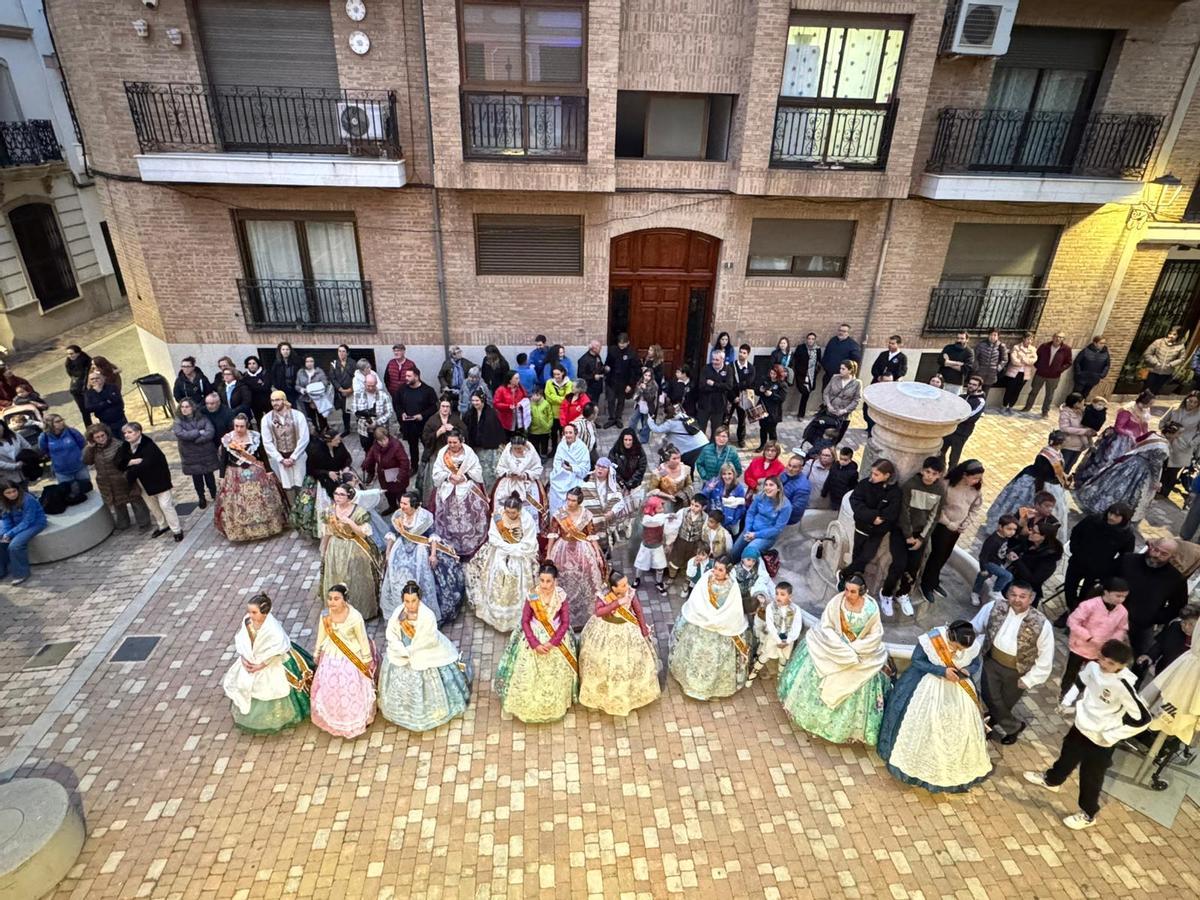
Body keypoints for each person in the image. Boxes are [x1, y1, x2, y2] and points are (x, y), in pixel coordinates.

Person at [1024, 640, 1150, 830]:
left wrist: (1113, 735)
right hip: (1081, 725)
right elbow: (1079, 682)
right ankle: (1052, 780)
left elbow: (1143, 719)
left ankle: (1088, 814)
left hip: (1100, 739)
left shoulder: (1124, 685)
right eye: (1103, 660)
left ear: (1122, 665)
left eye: (1111, 664)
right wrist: (1067, 702)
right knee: (1067, 755)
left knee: (1091, 776)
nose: (1105, 666)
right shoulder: (1092, 667)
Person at [878, 619, 990, 793]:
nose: (958, 651)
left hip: (959, 689)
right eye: (956, 646)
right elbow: (917, 661)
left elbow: (975, 662)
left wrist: (969, 670)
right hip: (926, 685)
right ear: (950, 636)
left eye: (962, 650)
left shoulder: (970, 645)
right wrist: (942, 671)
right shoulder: (932, 640)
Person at [778, 575, 889, 746]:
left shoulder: (871, 609)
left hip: (858, 652)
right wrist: (841, 647)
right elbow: (826, 625)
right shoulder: (836, 603)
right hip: (833, 647)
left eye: (853, 591)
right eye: (846, 589)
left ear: (862, 592)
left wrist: (854, 649)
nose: (848, 594)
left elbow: (875, 635)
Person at [376, 582, 471, 732]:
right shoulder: (399, 613)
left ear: (419, 599)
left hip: (424, 650)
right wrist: (399, 647)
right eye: (407, 601)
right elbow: (392, 632)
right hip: (402, 652)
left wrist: (410, 650)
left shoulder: (427, 616)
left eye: (413, 601)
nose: (410, 605)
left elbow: (428, 640)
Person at [970, 581, 1054, 745]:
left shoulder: (1041, 623)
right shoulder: (994, 607)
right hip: (992, 661)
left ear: (1031, 598)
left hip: (1018, 670)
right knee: (990, 696)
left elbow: (1046, 656)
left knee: (1005, 702)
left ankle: (991, 723)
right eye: (1013, 595)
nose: (1017, 600)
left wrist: (1030, 679)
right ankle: (1014, 727)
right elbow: (976, 626)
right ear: (1008, 595)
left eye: (1022, 596)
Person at [493, 562, 578, 723]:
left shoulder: (561, 596)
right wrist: (534, 644)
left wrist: (553, 642)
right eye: (542, 580)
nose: (545, 585)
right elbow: (525, 621)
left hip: (556, 638)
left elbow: (565, 622)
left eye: (548, 581)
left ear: (556, 581)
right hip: (533, 638)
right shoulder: (532, 595)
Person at [221, 593, 314, 734]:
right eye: (249, 611)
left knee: (273, 688)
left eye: (254, 612)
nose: (250, 615)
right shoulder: (247, 622)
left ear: (264, 613)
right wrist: (244, 658)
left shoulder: (273, 629)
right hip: (252, 660)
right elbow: (242, 639)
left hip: (272, 663)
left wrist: (261, 665)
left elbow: (278, 649)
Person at [578, 570, 660, 716]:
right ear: (613, 588)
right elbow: (599, 612)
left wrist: (644, 630)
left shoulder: (631, 594)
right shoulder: (604, 596)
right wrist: (617, 603)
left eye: (626, 583)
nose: (626, 587)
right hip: (605, 629)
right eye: (622, 585)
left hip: (627, 629)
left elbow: (638, 611)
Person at [669, 556, 752, 700]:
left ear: (727, 572)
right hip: (701, 622)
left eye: (720, 570)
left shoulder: (732, 587)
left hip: (722, 627)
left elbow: (733, 609)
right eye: (715, 568)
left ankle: (713, 689)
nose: (716, 572)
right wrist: (708, 617)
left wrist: (718, 619)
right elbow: (696, 600)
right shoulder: (706, 579)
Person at [310, 584, 377, 739]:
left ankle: (354, 719)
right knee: (330, 687)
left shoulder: (355, 617)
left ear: (345, 600)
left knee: (351, 688)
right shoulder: (325, 615)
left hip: (351, 657)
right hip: (331, 656)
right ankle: (335, 719)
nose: (332, 602)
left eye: (336, 599)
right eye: (330, 599)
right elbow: (321, 635)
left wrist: (367, 659)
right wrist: (317, 652)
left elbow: (362, 639)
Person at [466, 493, 540, 632]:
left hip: (520, 555)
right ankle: (496, 616)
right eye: (508, 511)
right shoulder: (498, 517)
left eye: (513, 512)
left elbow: (529, 541)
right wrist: (507, 548)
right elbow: (493, 537)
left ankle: (519, 617)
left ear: (519, 510)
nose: (510, 514)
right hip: (499, 553)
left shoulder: (527, 520)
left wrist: (514, 549)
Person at [884, 456, 946, 616]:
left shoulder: (939, 491)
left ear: (939, 475)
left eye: (933, 473)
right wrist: (908, 535)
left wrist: (922, 539)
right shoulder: (910, 485)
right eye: (927, 472)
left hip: (920, 535)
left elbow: (934, 516)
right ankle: (886, 593)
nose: (929, 476)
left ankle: (902, 594)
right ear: (922, 470)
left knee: (913, 567)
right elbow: (903, 512)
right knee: (898, 564)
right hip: (901, 531)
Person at [1116, 539, 1188, 671]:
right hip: (1113, 615)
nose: (1156, 555)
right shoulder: (1127, 560)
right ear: (1151, 546)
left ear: (1172, 557)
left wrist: (1155, 617)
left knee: (1143, 658)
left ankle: (1133, 685)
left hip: (1143, 625)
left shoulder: (1176, 579)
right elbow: (1109, 580)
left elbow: (1177, 606)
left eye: (1163, 554)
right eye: (1155, 549)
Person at [215, 414, 288, 542]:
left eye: (241, 426)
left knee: (263, 500)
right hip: (235, 474)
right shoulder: (228, 439)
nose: (238, 429)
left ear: (247, 426)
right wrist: (221, 476)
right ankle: (241, 531)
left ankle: (267, 527)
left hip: (256, 472)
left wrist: (269, 470)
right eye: (236, 426)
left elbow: (263, 455)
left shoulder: (255, 437)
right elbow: (223, 460)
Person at [920, 459, 984, 600]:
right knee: (937, 555)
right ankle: (926, 585)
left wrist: (965, 524)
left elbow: (975, 508)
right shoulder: (947, 484)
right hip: (942, 526)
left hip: (957, 529)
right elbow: (937, 506)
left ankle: (934, 581)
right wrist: (948, 523)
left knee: (945, 555)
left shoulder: (975, 490)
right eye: (974, 478)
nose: (977, 481)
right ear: (964, 474)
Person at [1058, 503, 1134, 621]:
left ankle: (1077, 616)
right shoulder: (1092, 520)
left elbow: (1126, 556)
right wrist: (1075, 550)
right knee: (1069, 588)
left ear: (1124, 519)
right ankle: (1072, 611)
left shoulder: (1127, 535)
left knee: (1087, 594)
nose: (1112, 517)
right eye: (1111, 513)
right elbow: (1076, 532)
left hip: (1099, 569)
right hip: (1078, 561)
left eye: (1117, 516)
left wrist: (1110, 567)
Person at [1075, 431, 1169, 524]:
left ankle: (1099, 505)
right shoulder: (1162, 446)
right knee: (1126, 490)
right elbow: (1155, 464)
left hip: (1131, 461)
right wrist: (1156, 481)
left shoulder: (1154, 435)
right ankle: (1111, 512)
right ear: (1173, 434)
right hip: (1140, 468)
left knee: (1112, 483)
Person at [546, 485, 608, 625]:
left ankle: (584, 610)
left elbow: (591, 536)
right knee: (562, 579)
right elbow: (553, 535)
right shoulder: (560, 513)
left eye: (573, 500)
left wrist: (597, 554)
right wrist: (549, 554)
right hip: (562, 550)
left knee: (585, 578)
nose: (570, 503)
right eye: (568, 499)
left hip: (582, 549)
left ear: (579, 501)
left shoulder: (586, 515)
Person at [985, 431, 1069, 534]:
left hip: (1049, 481)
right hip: (1039, 483)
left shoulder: (1057, 452)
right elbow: (1041, 474)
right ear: (1061, 442)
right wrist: (1040, 492)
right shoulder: (1046, 455)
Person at [319, 485, 383, 620]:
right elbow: (328, 532)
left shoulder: (359, 512)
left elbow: (363, 534)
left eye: (342, 495)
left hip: (354, 547)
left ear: (350, 496)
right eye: (336, 494)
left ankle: (359, 611)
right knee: (337, 577)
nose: (337, 497)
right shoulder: (329, 511)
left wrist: (350, 523)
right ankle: (339, 609)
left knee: (355, 579)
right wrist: (323, 549)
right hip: (335, 548)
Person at [1061, 579, 1129, 698]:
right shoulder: (1089, 605)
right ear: (1106, 592)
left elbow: (1121, 628)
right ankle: (1065, 692)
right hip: (1080, 646)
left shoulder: (1122, 611)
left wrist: (1112, 642)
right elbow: (1073, 621)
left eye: (1124, 597)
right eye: (1118, 596)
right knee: (1071, 672)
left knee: (1094, 675)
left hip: (1101, 651)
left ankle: (1085, 695)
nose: (1121, 599)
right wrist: (1088, 637)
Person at [116, 422, 182, 541]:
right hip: (142, 482)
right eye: (125, 433)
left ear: (138, 432)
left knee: (165, 505)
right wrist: (131, 462)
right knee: (152, 506)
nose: (126, 435)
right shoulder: (125, 446)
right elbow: (118, 462)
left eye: (129, 432)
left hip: (158, 480)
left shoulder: (149, 445)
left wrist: (128, 465)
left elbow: (146, 464)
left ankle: (176, 530)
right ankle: (163, 525)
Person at [840, 459, 901, 587]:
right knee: (857, 554)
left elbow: (892, 512)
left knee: (866, 556)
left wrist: (880, 519)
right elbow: (855, 501)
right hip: (861, 526)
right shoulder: (864, 484)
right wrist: (872, 516)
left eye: (876, 474)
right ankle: (853, 580)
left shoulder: (894, 492)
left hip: (877, 532)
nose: (872, 477)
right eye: (872, 473)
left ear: (887, 475)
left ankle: (844, 574)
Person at [1073, 390, 1153, 486]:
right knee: (1108, 461)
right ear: (1144, 401)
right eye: (1150, 403)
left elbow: (1144, 426)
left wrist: (1146, 437)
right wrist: (1130, 434)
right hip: (1120, 441)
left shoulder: (1145, 410)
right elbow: (1118, 427)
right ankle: (1093, 483)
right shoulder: (1127, 410)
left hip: (1134, 442)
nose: (1150, 406)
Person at [430, 430, 489, 559]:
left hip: (467, 490)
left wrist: (465, 476)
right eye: (449, 442)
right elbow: (436, 472)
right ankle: (450, 547)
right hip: (448, 489)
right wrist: (448, 476)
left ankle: (470, 547)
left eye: (454, 442)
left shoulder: (469, 453)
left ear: (461, 441)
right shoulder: (442, 454)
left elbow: (477, 470)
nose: (452, 445)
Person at [84, 423, 150, 530]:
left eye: (102, 435)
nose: (101, 439)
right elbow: (87, 461)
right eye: (97, 437)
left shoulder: (118, 445)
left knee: (136, 501)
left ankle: (144, 523)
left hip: (123, 480)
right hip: (107, 483)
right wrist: (89, 448)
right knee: (117, 504)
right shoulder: (94, 449)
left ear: (107, 434)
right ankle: (123, 525)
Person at [260, 391, 309, 504]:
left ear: (284, 400)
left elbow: (304, 438)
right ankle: (291, 509)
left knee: (300, 482)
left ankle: (303, 510)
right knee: (286, 485)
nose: (274, 403)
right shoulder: (267, 419)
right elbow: (267, 442)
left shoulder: (298, 415)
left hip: (298, 456)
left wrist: (294, 457)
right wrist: (280, 459)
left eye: (277, 400)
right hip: (280, 457)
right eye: (272, 400)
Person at [748, 581, 804, 682]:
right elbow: (770, 625)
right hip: (773, 637)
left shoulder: (796, 609)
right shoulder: (770, 607)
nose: (778, 597)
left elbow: (797, 627)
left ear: (790, 596)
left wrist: (788, 640)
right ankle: (753, 674)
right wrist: (778, 640)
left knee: (783, 659)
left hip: (787, 640)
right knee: (765, 655)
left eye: (782, 594)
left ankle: (780, 677)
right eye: (777, 593)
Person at [172, 398, 218, 509]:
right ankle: (201, 497)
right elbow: (180, 434)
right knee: (197, 477)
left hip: (205, 452)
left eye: (187, 406)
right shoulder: (178, 421)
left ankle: (214, 493)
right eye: (182, 407)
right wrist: (198, 432)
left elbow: (210, 432)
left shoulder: (202, 417)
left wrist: (195, 439)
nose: (184, 409)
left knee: (209, 475)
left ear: (192, 407)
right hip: (190, 454)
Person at [731, 476, 791, 561]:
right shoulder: (760, 496)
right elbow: (751, 512)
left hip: (766, 536)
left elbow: (777, 529)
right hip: (751, 530)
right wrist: (748, 529)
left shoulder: (786, 506)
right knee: (734, 552)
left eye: (771, 485)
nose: (767, 487)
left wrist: (756, 535)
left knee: (748, 552)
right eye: (766, 485)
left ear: (778, 489)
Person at [492, 436, 547, 527]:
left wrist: (526, 474)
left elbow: (537, 469)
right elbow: (500, 468)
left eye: (519, 448)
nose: (517, 450)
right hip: (508, 483)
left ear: (524, 446)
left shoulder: (531, 453)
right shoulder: (507, 452)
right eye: (515, 448)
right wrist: (508, 473)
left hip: (527, 484)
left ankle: (529, 529)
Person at [1007, 518, 1063, 604]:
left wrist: (1017, 561)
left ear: (1043, 537)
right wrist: (1011, 553)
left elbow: (1033, 579)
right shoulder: (1030, 542)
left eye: (1034, 532)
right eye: (1031, 530)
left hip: (1024, 589)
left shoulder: (1049, 559)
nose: (1030, 533)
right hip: (1013, 577)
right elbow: (1014, 549)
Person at [0, 483, 46, 585]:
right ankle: (2, 571)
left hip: (35, 523)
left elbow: (28, 521)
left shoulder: (28, 500)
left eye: (14, 491)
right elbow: (5, 519)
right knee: (1, 541)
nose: (12, 494)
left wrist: (10, 534)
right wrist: (4, 533)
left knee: (15, 546)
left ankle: (21, 573)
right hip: (16, 524)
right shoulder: (3, 502)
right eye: (8, 493)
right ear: (3, 494)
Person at [419, 396, 465, 498]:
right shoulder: (432, 420)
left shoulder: (455, 419)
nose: (445, 409)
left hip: (454, 455)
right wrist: (438, 432)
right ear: (439, 407)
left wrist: (454, 429)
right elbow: (425, 439)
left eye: (447, 406)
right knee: (437, 480)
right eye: (443, 406)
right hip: (437, 454)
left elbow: (465, 433)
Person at [38, 413, 90, 499]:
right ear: (50, 424)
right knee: (68, 494)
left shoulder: (72, 431)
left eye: (62, 420)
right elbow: (44, 450)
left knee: (87, 491)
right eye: (58, 421)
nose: (61, 422)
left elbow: (83, 445)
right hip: (62, 472)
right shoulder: (44, 437)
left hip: (80, 468)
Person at [463, 390, 506, 491]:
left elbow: (497, 430)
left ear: (482, 400)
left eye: (477, 400)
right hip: (474, 449)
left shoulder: (491, 414)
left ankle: (490, 493)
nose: (474, 403)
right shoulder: (469, 413)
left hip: (489, 449)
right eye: (473, 400)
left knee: (488, 474)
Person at [1158, 391, 1200, 496]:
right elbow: (1162, 421)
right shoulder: (1175, 408)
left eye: (1195, 402)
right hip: (1167, 442)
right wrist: (1165, 431)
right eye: (1190, 401)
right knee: (1161, 466)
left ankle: (1164, 492)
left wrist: (1192, 443)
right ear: (1186, 399)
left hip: (1183, 447)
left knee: (1173, 471)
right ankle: (1156, 489)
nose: (1191, 404)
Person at [362, 426, 411, 515]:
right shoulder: (375, 446)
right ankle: (392, 507)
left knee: (400, 495)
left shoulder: (396, 445)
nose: (383, 443)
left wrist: (400, 476)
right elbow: (371, 455)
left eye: (385, 439)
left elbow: (404, 462)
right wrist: (366, 464)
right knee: (388, 493)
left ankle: (405, 512)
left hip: (397, 476)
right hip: (384, 476)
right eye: (380, 441)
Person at [972, 514, 1018, 607]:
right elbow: (983, 555)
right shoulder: (992, 540)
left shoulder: (1005, 537)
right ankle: (995, 591)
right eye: (1009, 529)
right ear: (1000, 527)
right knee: (1007, 576)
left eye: (1014, 530)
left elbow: (1003, 547)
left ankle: (977, 592)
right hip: (989, 563)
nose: (1012, 532)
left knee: (983, 577)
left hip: (997, 562)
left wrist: (1009, 553)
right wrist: (983, 568)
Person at [941, 375, 986, 469]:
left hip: (962, 433)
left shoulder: (980, 401)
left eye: (974, 385)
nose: (970, 386)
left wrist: (956, 417)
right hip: (951, 429)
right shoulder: (962, 396)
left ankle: (951, 475)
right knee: (941, 451)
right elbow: (950, 409)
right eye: (970, 383)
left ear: (979, 387)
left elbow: (971, 416)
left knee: (954, 456)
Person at [1023, 332, 1073, 416]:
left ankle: (1045, 411)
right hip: (1040, 373)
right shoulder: (1044, 346)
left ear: (1063, 339)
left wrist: (1060, 370)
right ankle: (1027, 407)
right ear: (1053, 337)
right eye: (1056, 337)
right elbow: (1036, 357)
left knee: (1049, 394)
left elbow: (1068, 362)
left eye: (1061, 338)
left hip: (1054, 376)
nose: (1058, 339)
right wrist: (1039, 366)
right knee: (1034, 391)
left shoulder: (1066, 349)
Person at [647, 401, 709, 469]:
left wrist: (650, 419)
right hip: (704, 443)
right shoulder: (684, 416)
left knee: (684, 467)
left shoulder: (671, 424)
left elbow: (656, 429)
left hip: (691, 449)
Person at [549, 422, 590, 515]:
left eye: (570, 432)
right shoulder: (561, 445)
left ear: (576, 433)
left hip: (574, 478)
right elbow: (557, 462)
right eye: (566, 433)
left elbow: (585, 468)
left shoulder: (582, 448)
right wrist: (562, 469)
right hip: (560, 477)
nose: (568, 435)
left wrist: (572, 468)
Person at [664, 494, 707, 582]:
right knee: (675, 560)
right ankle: (671, 577)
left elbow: (705, 533)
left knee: (690, 562)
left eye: (696, 506)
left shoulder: (705, 517)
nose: (693, 507)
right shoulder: (683, 512)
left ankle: (686, 581)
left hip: (694, 544)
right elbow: (674, 527)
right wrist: (670, 542)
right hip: (681, 542)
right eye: (691, 504)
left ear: (703, 507)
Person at [696, 349, 734, 439]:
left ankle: (713, 447)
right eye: (713, 359)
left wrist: (714, 384)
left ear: (722, 360)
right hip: (705, 403)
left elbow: (729, 386)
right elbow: (702, 386)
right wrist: (720, 387)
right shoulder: (706, 369)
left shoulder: (728, 370)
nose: (714, 362)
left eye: (717, 360)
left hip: (719, 405)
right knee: (700, 429)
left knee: (716, 430)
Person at [307, 427, 353, 500]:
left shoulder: (339, 445)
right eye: (336, 439)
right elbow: (311, 470)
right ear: (329, 442)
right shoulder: (316, 451)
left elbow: (348, 458)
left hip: (341, 474)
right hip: (325, 478)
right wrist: (327, 473)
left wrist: (346, 467)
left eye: (339, 438)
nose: (339, 441)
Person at [603, 333, 638, 428]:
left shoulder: (631, 353)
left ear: (628, 343)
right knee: (611, 399)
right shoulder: (612, 350)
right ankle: (611, 418)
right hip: (612, 380)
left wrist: (630, 384)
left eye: (623, 343)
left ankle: (618, 418)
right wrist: (606, 368)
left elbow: (633, 371)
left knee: (621, 401)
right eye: (620, 343)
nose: (621, 345)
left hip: (624, 381)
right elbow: (607, 363)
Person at [703, 463, 747, 536]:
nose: (727, 477)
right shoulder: (715, 482)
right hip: (713, 518)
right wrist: (708, 489)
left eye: (729, 474)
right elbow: (703, 497)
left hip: (729, 522)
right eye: (724, 474)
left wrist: (733, 521)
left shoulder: (739, 488)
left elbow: (741, 508)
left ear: (734, 474)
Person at [821, 361, 862, 441]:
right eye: (840, 368)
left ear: (850, 370)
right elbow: (826, 393)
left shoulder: (857, 383)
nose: (840, 370)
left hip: (843, 416)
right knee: (824, 435)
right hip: (830, 413)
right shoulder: (835, 377)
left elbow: (856, 400)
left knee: (836, 439)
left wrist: (845, 410)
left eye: (843, 369)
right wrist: (828, 405)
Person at [1141, 325, 1188, 395]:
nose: (1171, 336)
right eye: (1170, 333)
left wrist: (1171, 364)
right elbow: (1147, 354)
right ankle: (1138, 404)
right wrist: (1155, 362)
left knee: (1154, 391)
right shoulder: (1158, 342)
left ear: (1179, 335)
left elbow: (1182, 359)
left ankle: (1148, 405)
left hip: (1166, 373)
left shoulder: (1180, 346)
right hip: (1154, 370)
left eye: (1174, 334)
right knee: (1146, 390)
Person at [1056, 392, 1094, 474]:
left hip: (1080, 445)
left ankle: (1063, 482)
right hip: (1069, 444)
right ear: (1076, 403)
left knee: (1070, 465)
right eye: (1082, 402)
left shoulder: (1082, 411)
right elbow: (1064, 428)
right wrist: (1084, 431)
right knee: (1063, 465)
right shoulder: (1065, 413)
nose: (1083, 404)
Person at [1001, 331, 1038, 412]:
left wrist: (1023, 359)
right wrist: (1025, 361)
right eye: (1028, 339)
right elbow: (1014, 360)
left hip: (1024, 374)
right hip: (1014, 373)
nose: (1029, 341)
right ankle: (1004, 405)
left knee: (1017, 391)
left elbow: (1034, 360)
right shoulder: (1016, 347)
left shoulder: (1033, 349)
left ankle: (1011, 406)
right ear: (1023, 339)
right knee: (1009, 389)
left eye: (1031, 340)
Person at [755, 364, 788, 449]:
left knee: (772, 430)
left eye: (774, 374)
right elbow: (757, 391)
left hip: (773, 411)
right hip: (763, 408)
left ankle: (773, 447)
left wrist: (772, 394)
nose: (772, 375)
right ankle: (762, 445)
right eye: (771, 373)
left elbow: (782, 398)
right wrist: (760, 390)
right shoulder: (766, 380)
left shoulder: (782, 384)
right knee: (763, 428)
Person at [295, 355, 333, 429]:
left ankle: (325, 434)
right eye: (307, 361)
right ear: (305, 362)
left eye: (311, 361)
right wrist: (302, 390)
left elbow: (325, 383)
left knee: (322, 418)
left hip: (319, 399)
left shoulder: (319, 371)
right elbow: (297, 385)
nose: (309, 363)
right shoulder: (300, 372)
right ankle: (315, 435)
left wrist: (313, 388)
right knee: (311, 419)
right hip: (306, 399)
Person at [821, 324, 861, 389]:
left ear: (848, 333)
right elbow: (826, 354)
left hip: (841, 377)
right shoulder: (833, 340)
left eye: (844, 331)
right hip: (828, 375)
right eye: (840, 330)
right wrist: (824, 365)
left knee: (837, 397)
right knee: (825, 393)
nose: (841, 332)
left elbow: (855, 362)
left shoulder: (853, 345)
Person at [328, 344, 357, 435]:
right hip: (340, 391)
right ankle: (347, 429)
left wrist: (351, 389)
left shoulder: (352, 363)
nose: (341, 353)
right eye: (339, 351)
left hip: (351, 390)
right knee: (344, 411)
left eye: (343, 351)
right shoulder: (334, 363)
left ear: (347, 353)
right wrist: (340, 389)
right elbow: (332, 378)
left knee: (356, 409)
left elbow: (356, 377)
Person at [607, 428, 647, 494]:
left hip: (634, 483)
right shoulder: (616, 450)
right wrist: (621, 483)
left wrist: (629, 484)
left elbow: (641, 469)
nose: (628, 442)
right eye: (625, 440)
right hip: (618, 483)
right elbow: (612, 467)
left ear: (633, 440)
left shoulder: (639, 451)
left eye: (630, 440)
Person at [793, 333, 822, 418]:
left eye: (813, 339)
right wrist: (799, 370)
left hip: (811, 375)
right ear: (806, 339)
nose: (810, 340)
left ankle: (801, 414)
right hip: (801, 374)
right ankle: (800, 413)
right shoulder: (801, 348)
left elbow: (819, 361)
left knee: (806, 394)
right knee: (803, 391)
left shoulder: (817, 349)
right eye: (809, 338)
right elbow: (796, 359)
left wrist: (816, 371)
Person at [628, 367, 658, 445]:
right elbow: (636, 392)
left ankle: (643, 438)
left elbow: (650, 398)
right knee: (633, 420)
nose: (647, 377)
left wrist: (645, 389)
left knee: (646, 423)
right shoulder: (640, 381)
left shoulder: (654, 385)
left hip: (648, 406)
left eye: (649, 376)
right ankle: (631, 435)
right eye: (645, 375)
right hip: (639, 404)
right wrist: (638, 391)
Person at [778, 453, 811, 526]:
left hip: (788, 516)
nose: (790, 469)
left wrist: (775, 509)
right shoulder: (784, 473)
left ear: (801, 469)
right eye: (789, 465)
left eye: (794, 467)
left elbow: (796, 508)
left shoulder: (803, 487)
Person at [822, 446, 858, 510]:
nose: (842, 461)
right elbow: (829, 479)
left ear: (850, 459)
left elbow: (852, 487)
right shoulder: (835, 465)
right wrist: (824, 492)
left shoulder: (853, 473)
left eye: (845, 460)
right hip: (832, 495)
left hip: (842, 498)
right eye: (841, 459)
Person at [65, 345, 94, 425]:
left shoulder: (87, 361)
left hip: (88, 388)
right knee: (84, 412)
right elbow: (71, 374)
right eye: (68, 354)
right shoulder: (68, 362)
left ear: (78, 353)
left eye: (72, 353)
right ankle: (89, 428)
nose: (70, 356)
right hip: (77, 389)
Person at [493, 371, 527, 437]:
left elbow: (525, 398)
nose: (519, 380)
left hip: (519, 418)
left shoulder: (520, 387)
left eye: (518, 378)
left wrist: (522, 404)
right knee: (508, 437)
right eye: (516, 378)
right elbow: (496, 403)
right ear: (510, 380)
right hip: (507, 418)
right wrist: (508, 406)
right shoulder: (501, 390)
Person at [577, 339, 606, 406]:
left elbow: (600, 367)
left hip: (597, 387)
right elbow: (580, 375)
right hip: (588, 388)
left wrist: (604, 369)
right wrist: (593, 377)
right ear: (593, 348)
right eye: (599, 347)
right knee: (588, 406)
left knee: (595, 405)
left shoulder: (597, 356)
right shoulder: (583, 360)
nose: (601, 349)